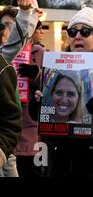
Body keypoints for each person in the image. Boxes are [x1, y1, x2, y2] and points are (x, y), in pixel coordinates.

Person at [31, 6, 93, 177]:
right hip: (60, 163)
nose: (77, 36)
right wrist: (39, 104)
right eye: (72, 32)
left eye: (85, 31)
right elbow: (40, 115)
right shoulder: (56, 67)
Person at [0, 0, 41, 177]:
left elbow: (16, 42)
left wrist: (26, 14)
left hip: (21, 135)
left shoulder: (2, 60)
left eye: (11, 26)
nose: (7, 31)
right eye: (5, 26)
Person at [14, 21, 46, 178]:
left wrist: (36, 74)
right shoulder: (6, 51)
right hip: (11, 122)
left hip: (31, 124)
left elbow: (50, 85)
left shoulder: (38, 51)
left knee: (32, 169)